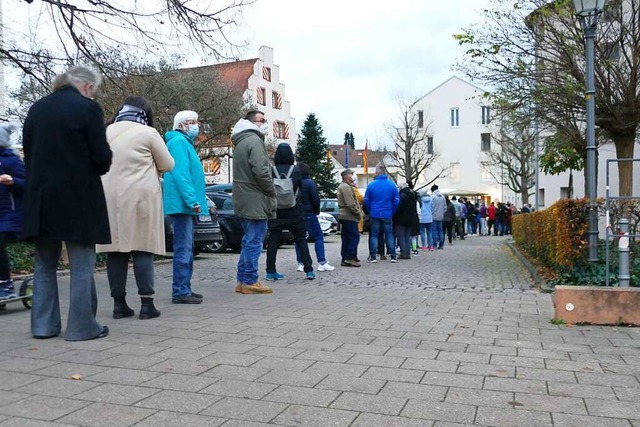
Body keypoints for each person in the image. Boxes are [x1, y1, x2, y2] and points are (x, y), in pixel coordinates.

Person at [23, 65, 112, 341]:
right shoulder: (87, 109)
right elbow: (101, 157)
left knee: (44, 264)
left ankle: (43, 326)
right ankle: (81, 327)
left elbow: (28, 151)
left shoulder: (36, 109)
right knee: (82, 263)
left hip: (41, 197)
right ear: (86, 87)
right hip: (78, 196)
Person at [97, 97, 175, 319]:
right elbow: (167, 164)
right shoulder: (147, 133)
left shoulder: (105, 131)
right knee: (142, 248)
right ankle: (147, 305)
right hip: (140, 196)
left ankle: (118, 305)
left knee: (115, 251)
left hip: (109, 197)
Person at [162, 110, 208, 304]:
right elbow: (181, 174)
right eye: (192, 122)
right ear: (181, 124)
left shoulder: (181, 142)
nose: (196, 126)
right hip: (182, 204)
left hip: (182, 204)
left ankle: (184, 288)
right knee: (183, 248)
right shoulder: (179, 143)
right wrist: (192, 200)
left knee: (186, 247)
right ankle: (180, 291)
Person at [232, 110, 276, 294]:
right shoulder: (254, 141)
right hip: (255, 198)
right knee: (254, 241)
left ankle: (242, 281)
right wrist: (271, 190)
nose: (265, 123)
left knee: (248, 240)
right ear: (252, 122)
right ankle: (250, 280)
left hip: (243, 197)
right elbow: (261, 171)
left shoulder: (241, 141)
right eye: (262, 120)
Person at [266, 143, 315, 280]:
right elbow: (300, 189)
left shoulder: (271, 170)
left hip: (276, 211)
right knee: (301, 240)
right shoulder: (296, 170)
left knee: (273, 241)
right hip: (294, 210)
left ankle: (270, 271)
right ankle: (309, 270)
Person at [0, 122, 25, 300]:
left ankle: (6, 285)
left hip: (11, 214)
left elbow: (27, 183)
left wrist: (13, 182)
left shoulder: (11, 160)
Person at [295, 161, 334, 273]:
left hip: (298, 214)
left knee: (300, 239)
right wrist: (316, 211)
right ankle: (322, 262)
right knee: (318, 237)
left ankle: (300, 263)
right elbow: (315, 199)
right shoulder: (309, 183)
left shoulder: (295, 182)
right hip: (310, 213)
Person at [363, 165, 399, 263]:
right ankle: (392, 255)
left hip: (375, 213)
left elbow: (366, 200)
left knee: (374, 235)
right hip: (387, 213)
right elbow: (396, 200)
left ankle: (373, 256)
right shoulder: (392, 185)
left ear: (377, 173)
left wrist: (371, 209)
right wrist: (392, 210)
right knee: (389, 234)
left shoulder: (371, 185)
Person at [337, 169, 362, 267]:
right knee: (354, 237)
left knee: (346, 237)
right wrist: (358, 213)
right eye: (351, 174)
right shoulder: (346, 188)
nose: (353, 176)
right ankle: (350, 257)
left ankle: (346, 257)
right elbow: (350, 204)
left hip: (344, 215)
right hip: (349, 216)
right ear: (347, 176)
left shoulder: (343, 186)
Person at [393, 182, 417, 259]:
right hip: (410, 219)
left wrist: (394, 215)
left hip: (400, 219)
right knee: (407, 236)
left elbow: (398, 208)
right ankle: (408, 253)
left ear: (401, 188)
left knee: (401, 237)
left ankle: (403, 253)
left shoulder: (401, 196)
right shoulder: (412, 196)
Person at [431, 184, 446, 249]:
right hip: (441, 216)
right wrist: (442, 213)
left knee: (434, 230)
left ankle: (434, 244)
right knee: (440, 231)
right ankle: (441, 244)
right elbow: (445, 207)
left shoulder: (432, 196)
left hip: (433, 216)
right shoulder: (443, 197)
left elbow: (431, 206)